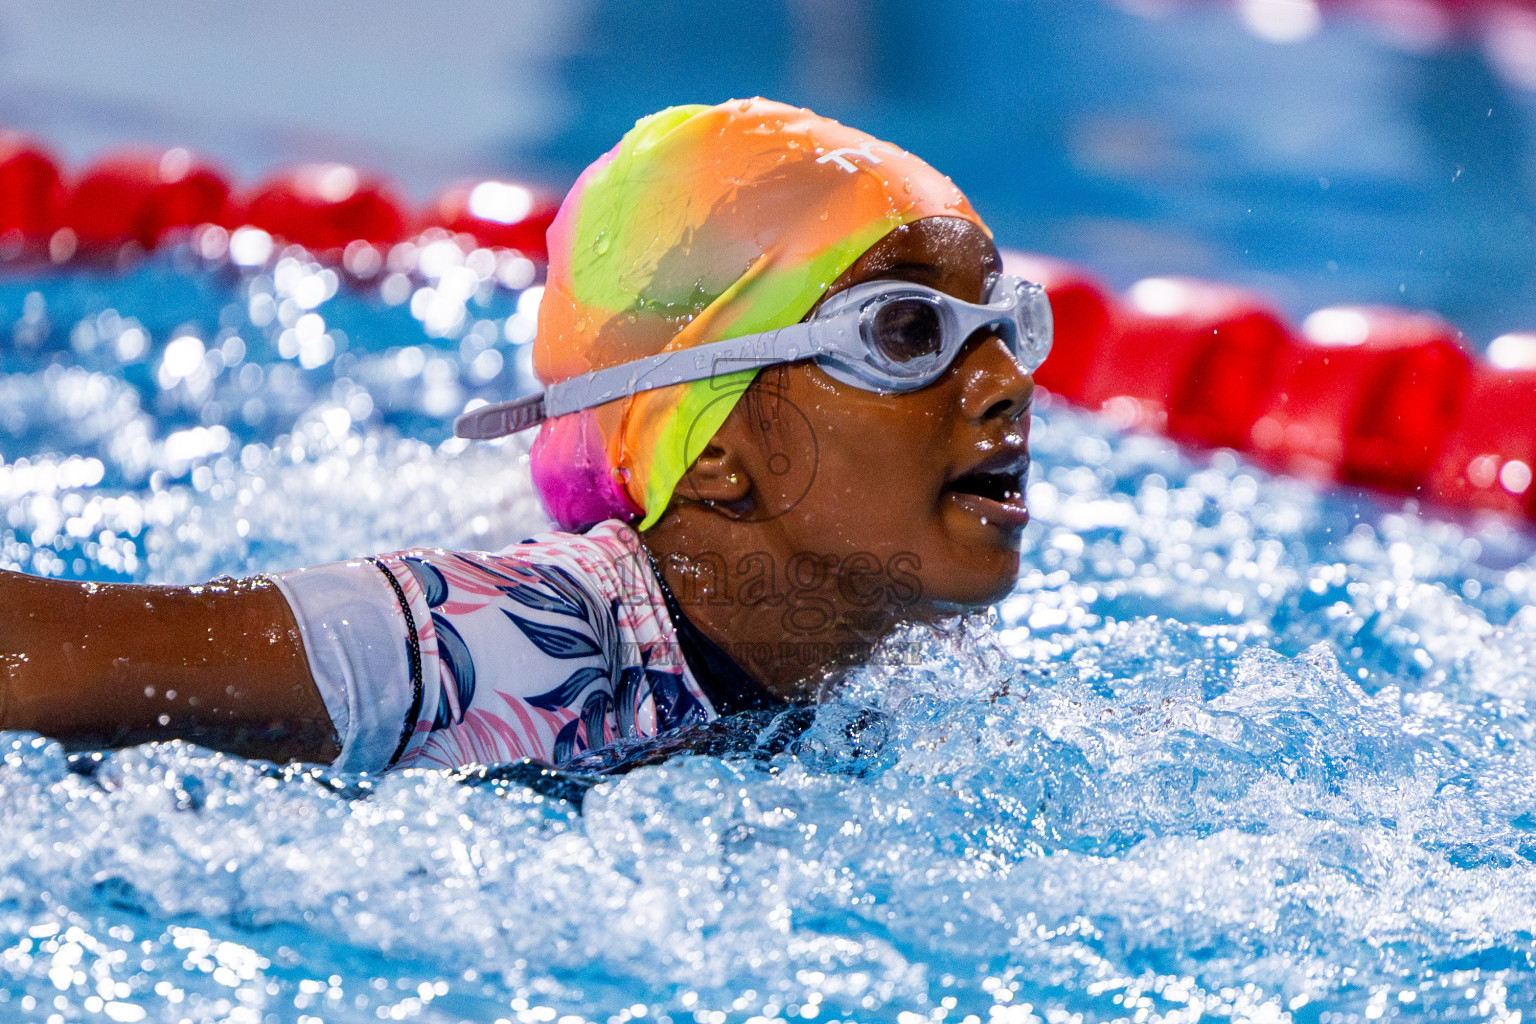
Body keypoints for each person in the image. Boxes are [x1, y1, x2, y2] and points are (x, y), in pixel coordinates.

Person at [0, 98, 1047, 773]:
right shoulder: (492, 640)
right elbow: (40, 658)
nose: (1006, 383)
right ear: (716, 445)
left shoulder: (908, 664)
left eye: (1007, 326)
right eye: (906, 333)